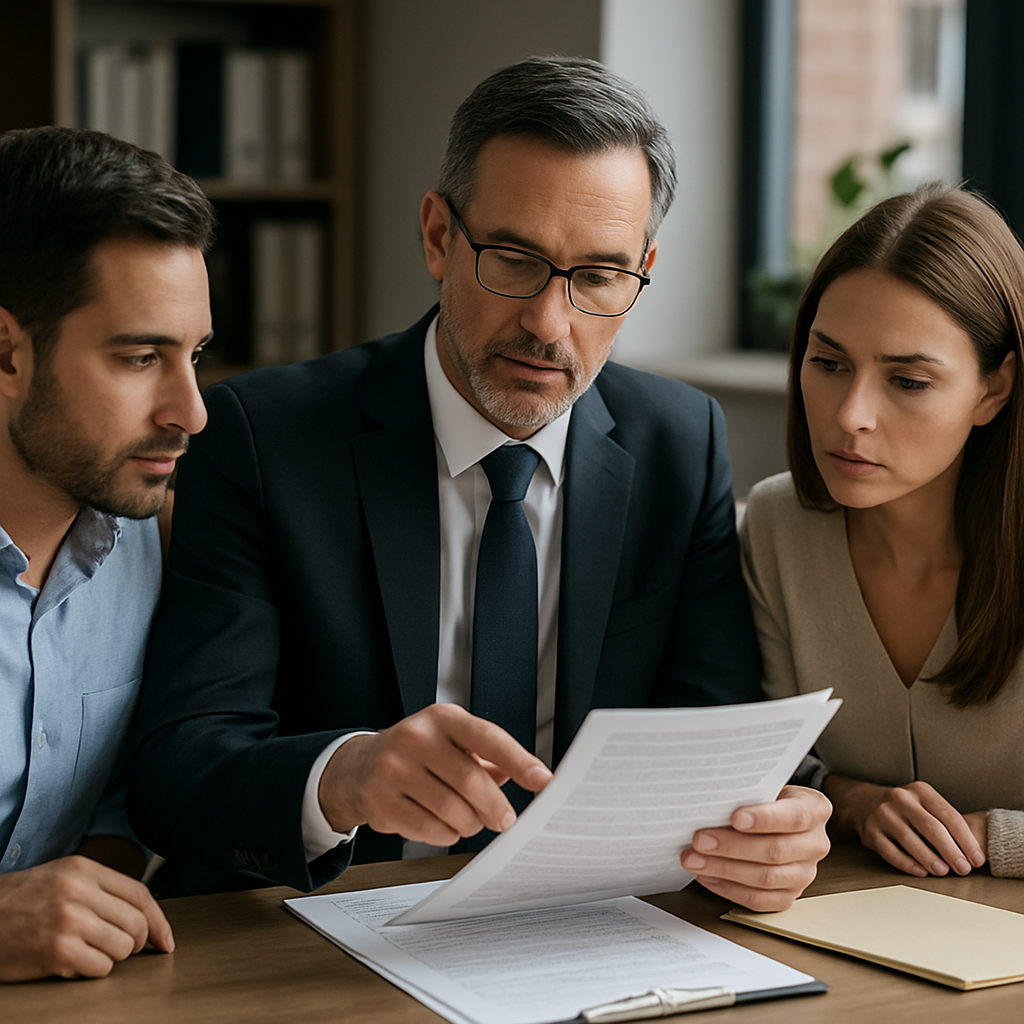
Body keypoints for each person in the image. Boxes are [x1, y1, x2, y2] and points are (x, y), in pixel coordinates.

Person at [128, 56, 830, 910]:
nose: (548, 323)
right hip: (317, 923)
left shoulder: (681, 445)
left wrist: (766, 834)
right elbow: (177, 770)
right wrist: (341, 778)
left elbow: (710, 744)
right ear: (437, 236)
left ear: (642, 270)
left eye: (599, 277)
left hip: (583, 925)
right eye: (514, 259)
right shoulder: (262, 436)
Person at [741, 183, 1024, 880]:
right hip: (836, 925)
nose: (851, 415)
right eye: (829, 364)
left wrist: (994, 836)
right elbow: (768, 762)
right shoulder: (776, 527)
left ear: (993, 389)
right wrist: (854, 804)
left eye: (909, 381)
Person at [0, 126, 215, 980]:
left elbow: (125, 801)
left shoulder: (155, 537)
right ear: (7, 353)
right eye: (140, 358)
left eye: (194, 355)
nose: (191, 411)